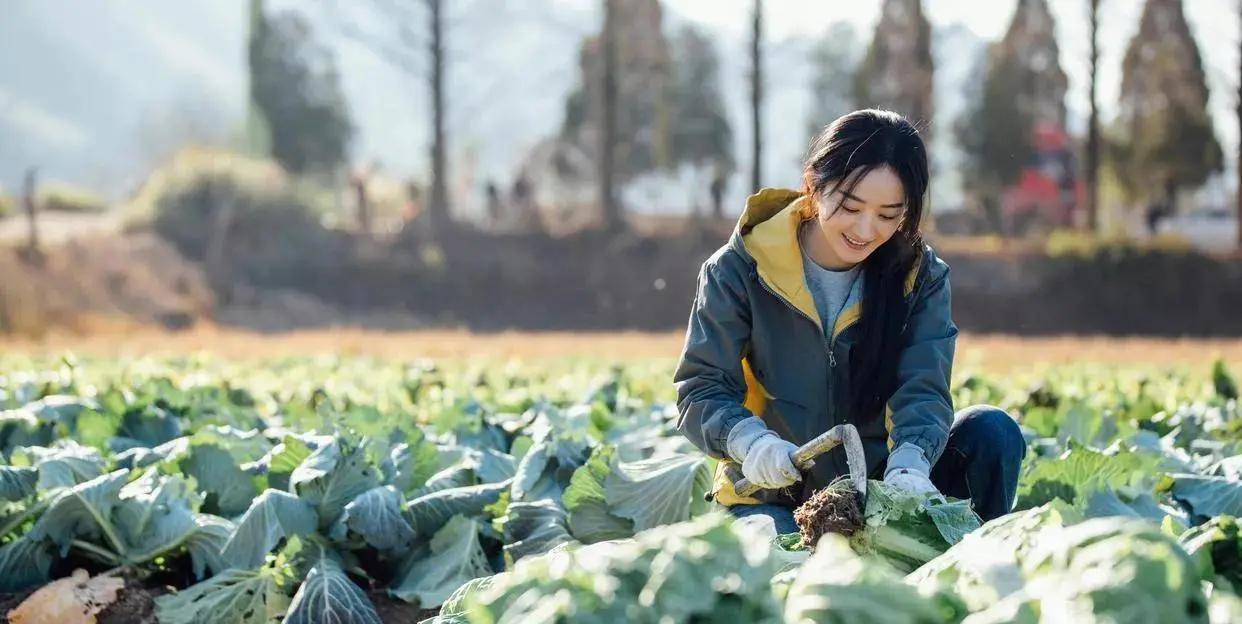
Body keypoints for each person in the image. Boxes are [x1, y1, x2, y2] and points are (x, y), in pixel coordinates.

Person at [673, 109, 1026, 534]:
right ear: (813, 184)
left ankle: (975, 554)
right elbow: (702, 388)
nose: (865, 229)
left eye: (888, 214)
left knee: (992, 431)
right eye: (850, 206)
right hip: (774, 491)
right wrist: (751, 443)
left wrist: (910, 466)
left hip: (882, 489)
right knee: (785, 559)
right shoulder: (739, 269)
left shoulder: (920, 278)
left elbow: (923, 388)